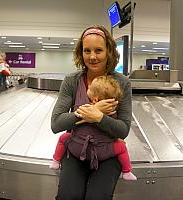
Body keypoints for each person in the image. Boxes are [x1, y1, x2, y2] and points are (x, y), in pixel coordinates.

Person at [51, 25, 132, 200]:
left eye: (98, 50)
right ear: (81, 53)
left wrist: (100, 118)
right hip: (76, 149)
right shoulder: (72, 81)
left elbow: (123, 130)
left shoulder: (122, 83)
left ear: (109, 51)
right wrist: (90, 112)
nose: (92, 57)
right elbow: (56, 124)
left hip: (108, 152)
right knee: (69, 196)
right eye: (87, 51)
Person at [50, 75, 136, 181]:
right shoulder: (112, 110)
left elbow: (123, 130)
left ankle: (55, 160)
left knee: (64, 138)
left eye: (90, 88)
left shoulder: (85, 107)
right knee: (122, 147)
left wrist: (95, 114)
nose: (88, 87)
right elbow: (56, 124)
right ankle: (127, 171)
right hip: (104, 152)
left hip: (77, 148)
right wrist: (98, 111)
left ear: (95, 99)